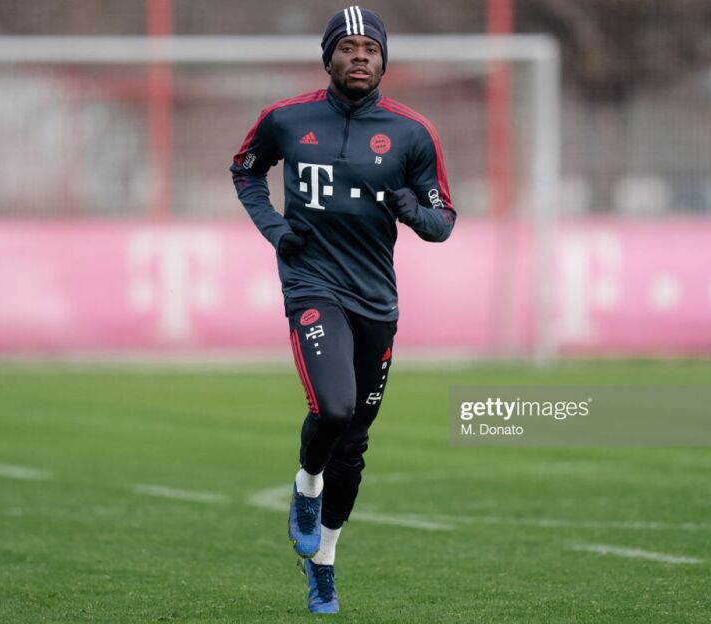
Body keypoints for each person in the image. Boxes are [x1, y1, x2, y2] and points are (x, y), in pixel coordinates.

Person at [230, 5, 456, 614]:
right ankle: (306, 484)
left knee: (354, 443)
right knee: (333, 406)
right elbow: (245, 171)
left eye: (371, 49)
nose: (360, 57)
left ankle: (324, 563)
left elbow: (442, 223)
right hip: (312, 285)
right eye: (348, 47)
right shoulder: (286, 118)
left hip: (375, 298)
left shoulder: (412, 132)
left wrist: (412, 210)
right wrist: (277, 230)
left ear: (384, 60)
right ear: (327, 57)